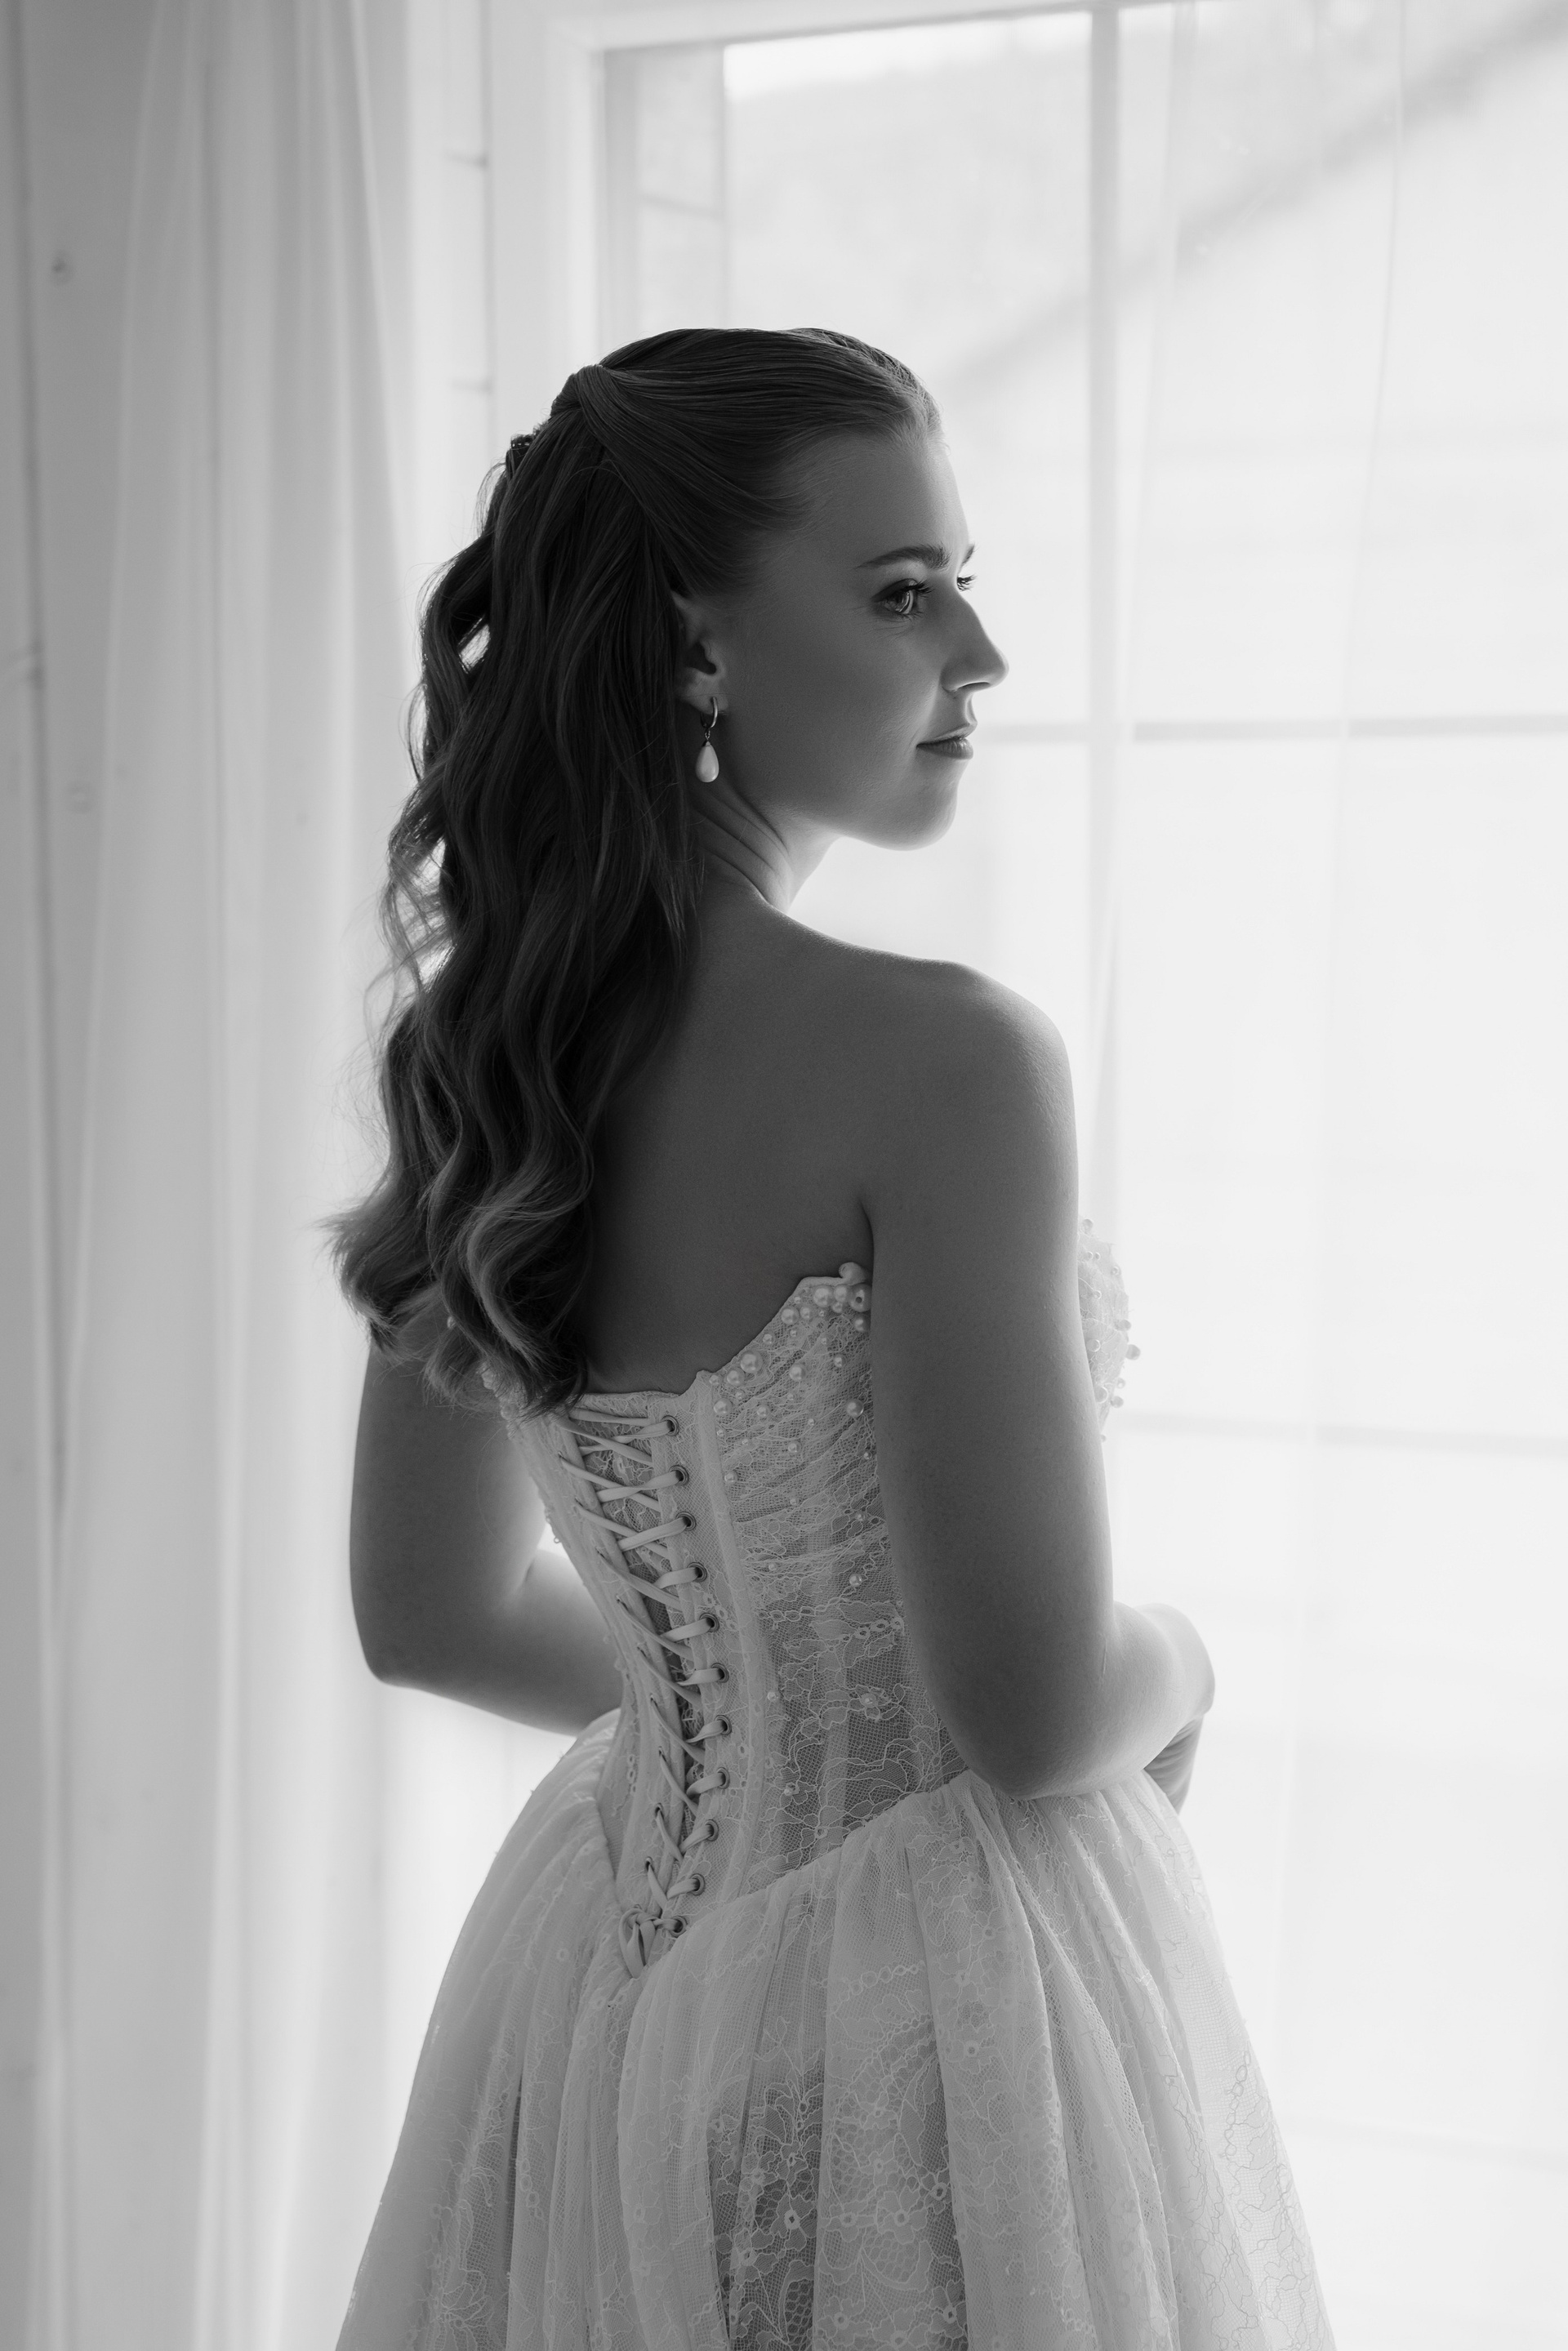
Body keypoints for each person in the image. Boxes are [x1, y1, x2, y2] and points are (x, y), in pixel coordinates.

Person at [326, 327, 1335, 2349]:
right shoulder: (945, 1064)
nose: (980, 652)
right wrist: (1192, 1660)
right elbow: (1035, 1710)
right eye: (900, 593)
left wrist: (758, 1716)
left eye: (963, 583)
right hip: (941, 2033)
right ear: (696, 647)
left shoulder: (491, 1058)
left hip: (613, 2014)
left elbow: (429, 1617)